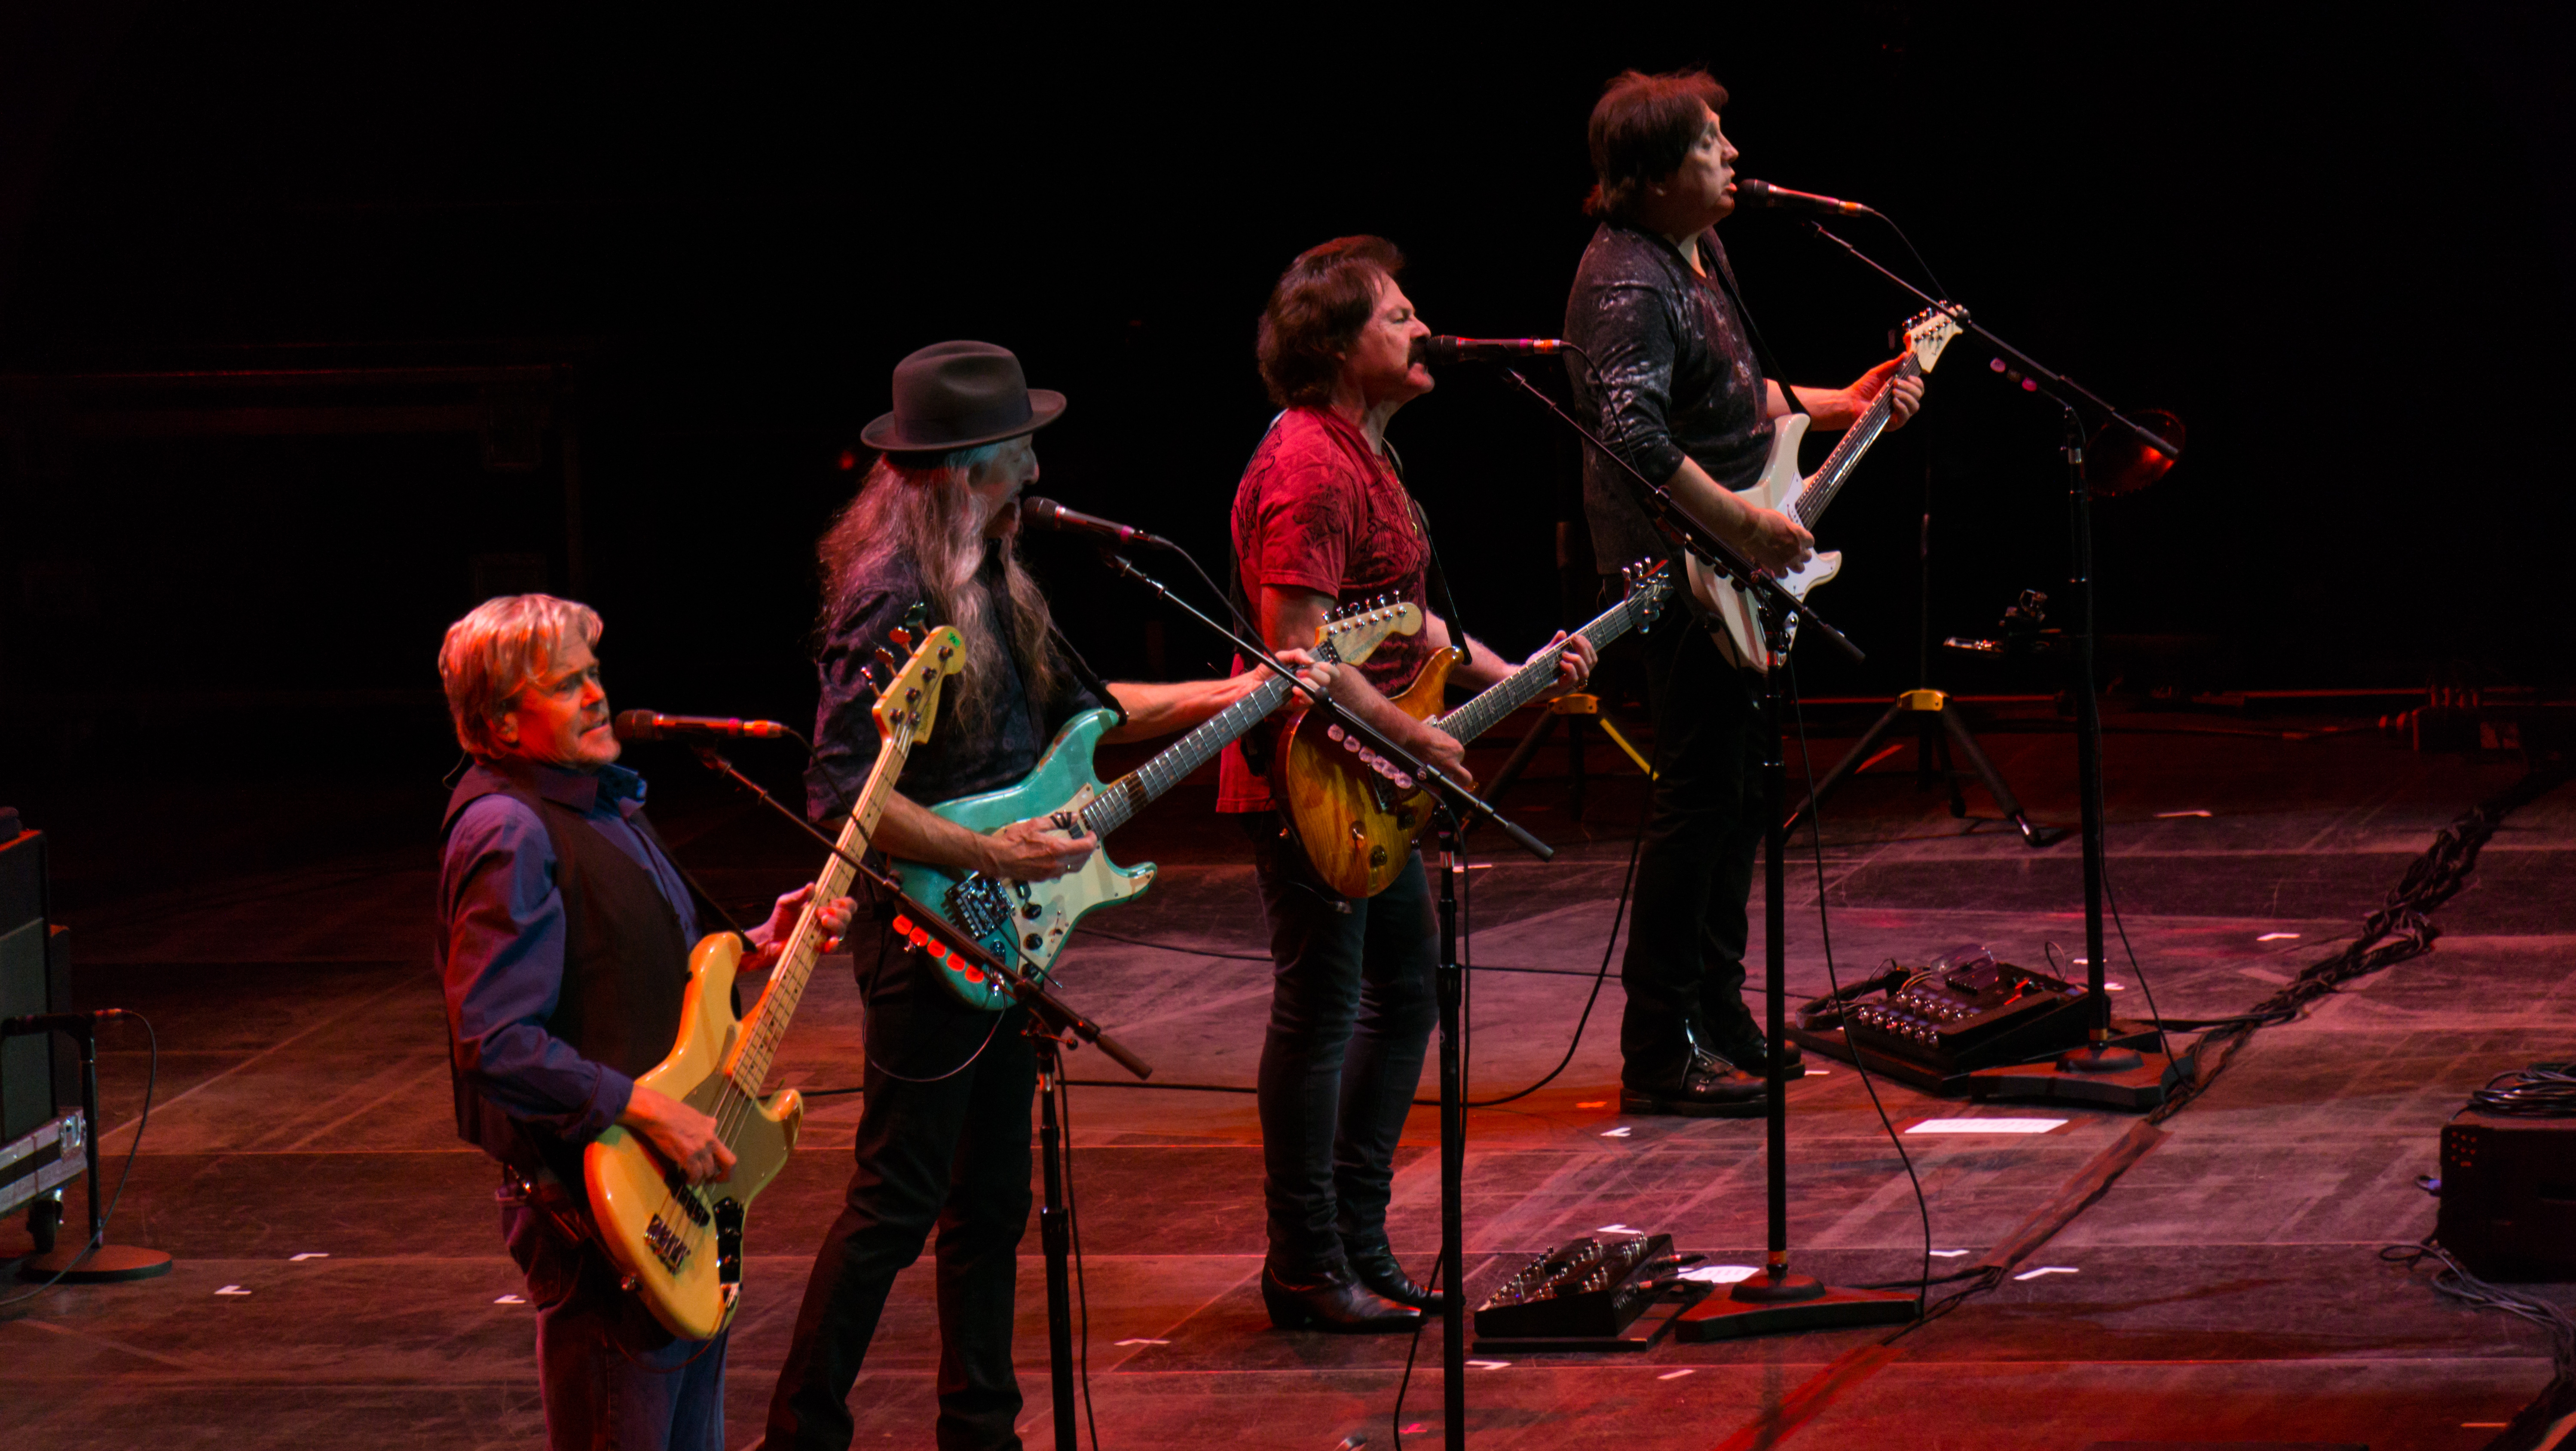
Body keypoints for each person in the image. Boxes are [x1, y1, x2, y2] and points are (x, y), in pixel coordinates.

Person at [765, 340, 1335, 1450]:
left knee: (988, 1209)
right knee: (894, 1203)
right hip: (930, 927)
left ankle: (982, 1427)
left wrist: (1248, 690)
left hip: (1005, 940)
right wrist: (986, 858)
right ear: (975, 463)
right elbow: (841, 792)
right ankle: (802, 1431)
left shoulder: (991, 573)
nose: (1036, 469)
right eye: (1019, 448)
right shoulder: (892, 595)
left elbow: (1091, 714)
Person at [1217, 237, 1597, 1332]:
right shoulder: (1308, 466)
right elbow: (1297, 656)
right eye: (1398, 316)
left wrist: (1515, 669)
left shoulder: (1365, 455)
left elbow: (1397, 617)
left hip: (1375, 774)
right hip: (1312, 779)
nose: (1423, 329)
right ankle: (1305, 1260)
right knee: (1326, 1005)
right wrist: (1412, 737)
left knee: (1404, 995)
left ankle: (1356, 1240)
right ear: (1336, 347)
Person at [1563, 69, 1922, 1116]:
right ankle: (1657, 1045)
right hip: (1672, 570)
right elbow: (1631, 437)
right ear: (1652, 173)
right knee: (1699, 800)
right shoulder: (1624, 281)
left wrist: (1841, 401)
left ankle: (1715, 1009)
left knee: (1737, 800)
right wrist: (1742, 524)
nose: (1731, 155)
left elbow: (1730, 392)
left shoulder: (1700, 252)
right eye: (1709, 142)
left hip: (1734, 555)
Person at [437, 592, 854, 1451]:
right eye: (565, 684)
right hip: (597, 1211)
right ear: (506, 723)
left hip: (672, 1195)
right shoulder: (509, 831)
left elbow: (621, 962)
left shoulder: (599, 802)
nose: (595, 695)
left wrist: (756, 944)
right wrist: (645, 1106)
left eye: (593, 674)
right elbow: (494, 1038)